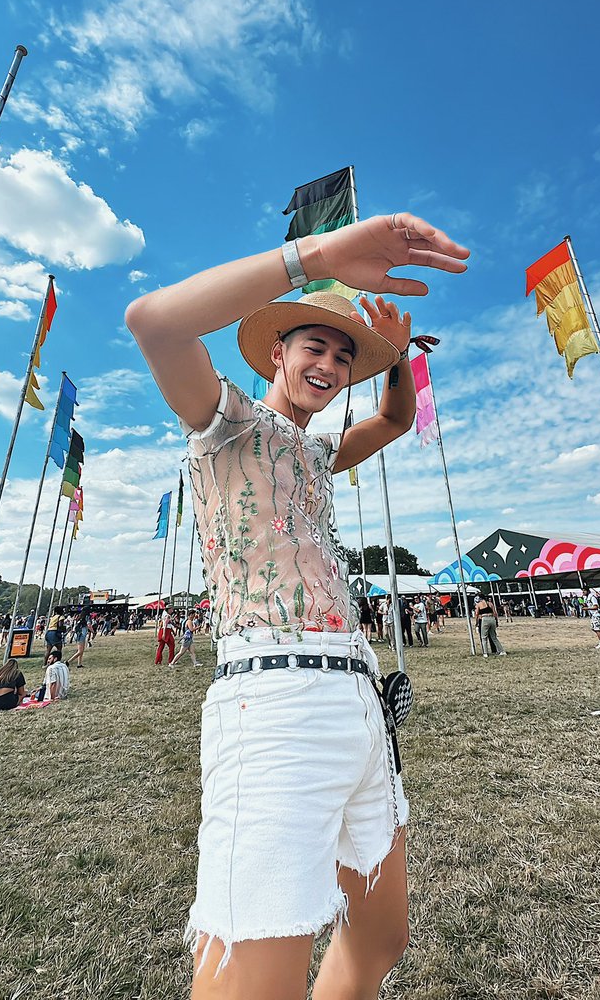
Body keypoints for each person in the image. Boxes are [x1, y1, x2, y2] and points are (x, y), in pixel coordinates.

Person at [126, 208, 468, 998]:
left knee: (382, 937)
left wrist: (397, 355)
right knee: (255, 975)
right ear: (276, 352)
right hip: (272, 701)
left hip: (359, 698)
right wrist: (316, 257)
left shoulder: (317, 449)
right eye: (315, 346)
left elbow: (393, 418)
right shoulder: (225, 425)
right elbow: (153, 323)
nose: (329, 363)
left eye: (342, 356)